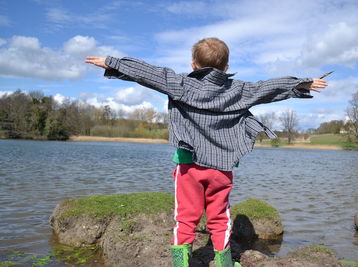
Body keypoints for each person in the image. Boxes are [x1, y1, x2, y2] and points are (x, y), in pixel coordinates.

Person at [85, 37, 327, 267]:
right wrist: (301, 83)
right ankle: (224, 262)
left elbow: (149, 73)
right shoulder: (238, 90)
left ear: (193, 64)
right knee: (220, 216)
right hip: (222, 167)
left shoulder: (181, 84)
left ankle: (181, 262)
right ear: (226, 66)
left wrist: (112, 62)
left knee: (185, 218)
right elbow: (267, 87)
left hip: (188, 165)